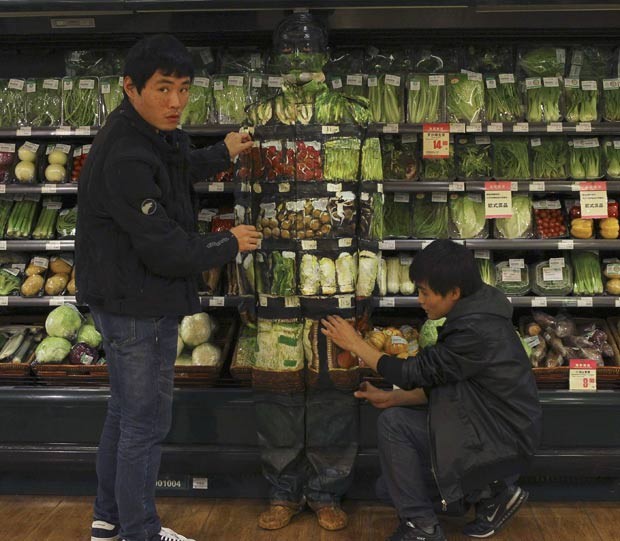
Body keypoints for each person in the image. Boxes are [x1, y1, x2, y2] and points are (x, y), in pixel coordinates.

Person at [76, 34, 259, 541]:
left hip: (124, 296)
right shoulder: (127, 154)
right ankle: (139, 531)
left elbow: (179, 163)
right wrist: (228, 244)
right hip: (138, 302)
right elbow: (163, 247)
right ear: (130, 88)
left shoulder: (148, 131)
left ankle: (108, 520)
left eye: (183, 89)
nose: (176, 102)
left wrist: (221, 151)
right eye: (163, 89)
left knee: (123, 414)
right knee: (144, 424)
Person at [321, 240, 542, 541]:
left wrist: (356, 345)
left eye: (425, 292)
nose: (420, 300)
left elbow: (414, 373)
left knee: (394, 426)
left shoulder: (473, 330)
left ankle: (422, 525)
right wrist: (395, 397)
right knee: (387, 489)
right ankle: (492, 494)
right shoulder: (479, 309)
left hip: (499, 439)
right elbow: (453, 383)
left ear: (454, 292)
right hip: (494, 427)